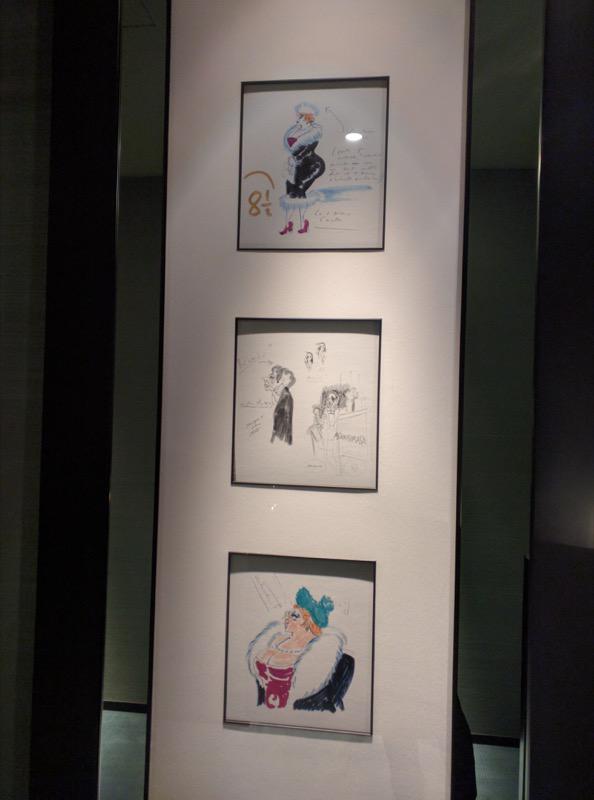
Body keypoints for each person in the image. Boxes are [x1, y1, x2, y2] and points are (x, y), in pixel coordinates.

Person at [247, 587, 354, 712]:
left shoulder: (322, 656)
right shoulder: (274, 640)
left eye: (294, 616)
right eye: (289, 614)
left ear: (310, 623)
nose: (287, 618)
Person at [279, 102, 325, 236]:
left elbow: (304, 151)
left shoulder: (314, 132)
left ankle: (302, 223)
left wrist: (296, 158)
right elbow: (290, 149)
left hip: (313, 166)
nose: (298, 119)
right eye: (299, 116)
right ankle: (287, 224)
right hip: (297, 166)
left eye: (301, 116)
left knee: (299, 191)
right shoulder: (294, 129)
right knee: (290, 191)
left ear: (308, 117)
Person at [263, 365, 295, 445]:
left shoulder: (286, 397)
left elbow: (285, 424)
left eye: (272, 377)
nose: (268, 380)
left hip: (280, 439)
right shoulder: (276, 395)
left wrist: (274, 439)